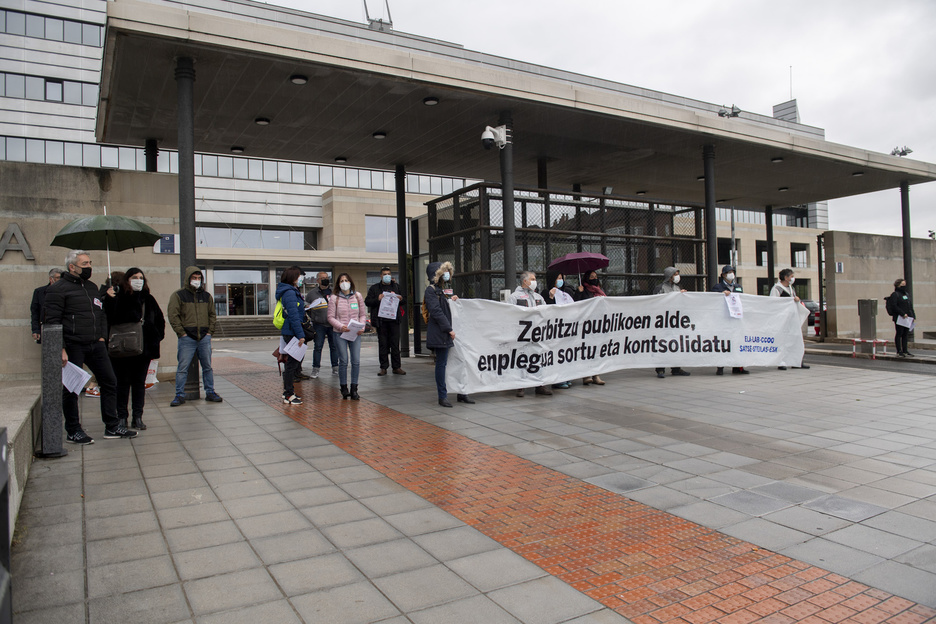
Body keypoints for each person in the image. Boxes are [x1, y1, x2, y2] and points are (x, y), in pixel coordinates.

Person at [43, 250, 137, 443]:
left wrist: (102, 336)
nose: (89, 267)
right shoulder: (58, 289)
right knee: (72, 389)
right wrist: (60, 348)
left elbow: (100, 314)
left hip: (96, 344)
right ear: (72, 267)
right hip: (73, 345)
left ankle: (112, 426)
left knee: (110, 381)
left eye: (90, 263)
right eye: (85, 264)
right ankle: (73, 430)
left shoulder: (92, 287)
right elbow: (52, 322)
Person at [104, 268, 165, 430]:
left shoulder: (148, 299)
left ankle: (137, 416)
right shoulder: (118, 297)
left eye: (141, 277)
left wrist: (156, 336)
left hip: (143, 350)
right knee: (122, 384)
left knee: (139, 384)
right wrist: (109, 299)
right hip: (122, 349)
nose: (138, 280)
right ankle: (122, 416)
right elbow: (110, 319)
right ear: (127, 279)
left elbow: (159, 320)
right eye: (134, 277)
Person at [167, 266, 223, 406]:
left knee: (207, 367)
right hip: (187, 338)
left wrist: (210, 332)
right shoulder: (179, 295)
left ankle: (210, 392)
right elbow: (173, 315)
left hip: (204, 337)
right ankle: (179, 394)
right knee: (182, 368)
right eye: (194, 278)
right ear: (188, 278)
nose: (196, 281)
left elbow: (212, 315)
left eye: (199, 278)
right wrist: (182, 333)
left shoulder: (206, 296)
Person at [424, 261, 474, 407]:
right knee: (442, 363)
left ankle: (462, 392)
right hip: (442, 333)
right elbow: (437, 312)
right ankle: (442, 395)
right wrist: (449, 329)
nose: (447, 274)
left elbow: (444, 308)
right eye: (444, 271)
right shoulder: (431, 290)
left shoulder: (442, 290)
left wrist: (452, 301)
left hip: (447, 333)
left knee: (458, 361)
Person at [507, 271, 552, 397]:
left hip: (537, 334)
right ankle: (520, 386)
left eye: (535, 279)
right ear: (525, 281)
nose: (534, 281)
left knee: (538, 357)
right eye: (532, 279)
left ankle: (540, 385)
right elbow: (508, 315)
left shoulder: (538, 297)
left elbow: (546, 313)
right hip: (521, 335)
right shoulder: (514, 297)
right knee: (521, 358)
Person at [328, 273, 367, 400]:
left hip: (355, 332)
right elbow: (330, 317)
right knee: (343, 360)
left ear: (350, 282)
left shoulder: (357, 296)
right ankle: (344, 388)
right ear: (338, 284)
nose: (344, 282)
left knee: (356, 361)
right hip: (340, 333)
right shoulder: (334, 298)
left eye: (346, 280)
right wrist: (340, 326)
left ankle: (354, 388)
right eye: (341, 281)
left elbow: (362, 314)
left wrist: (361, 327)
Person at [365, 266, 405, 376]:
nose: (387, 276)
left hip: (394, 320)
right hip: (381, 321)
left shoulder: (396, 287)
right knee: (383, 344)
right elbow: (367, 302)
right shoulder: (374, 288)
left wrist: (401, 299)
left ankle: (396, 367)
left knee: (395, 344)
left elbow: (404, 300)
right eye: (384, 274)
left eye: (388, 274)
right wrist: (378, 299)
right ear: (381, 276)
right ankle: (383, 367)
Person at [652, 267, 691, 379]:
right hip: (664, 321)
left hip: (676, 320)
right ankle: (660, 369)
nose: (677, 276)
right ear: (670, 276)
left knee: (676, 343)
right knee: (662, 344)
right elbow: (657, 302)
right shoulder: (660, 288)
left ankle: (676, 368)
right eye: (675, 274)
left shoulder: (677, 288)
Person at [276, 266, 307, 405]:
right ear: (293, 278)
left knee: (292, 364)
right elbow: (294, 316)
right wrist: (300, 335)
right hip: (292, 332)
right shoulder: (289, 293)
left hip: (292, 331)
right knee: (291, 365)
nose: (301, 279)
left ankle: (288, 392)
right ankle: (288, 393)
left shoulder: (291, 291)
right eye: (299, 276)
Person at [770, 268, 810, 371]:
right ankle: (781, 362)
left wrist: (796, 300)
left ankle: (796, 361)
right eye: (791, 276)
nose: (793, 278)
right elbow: (773, 303)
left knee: (795, 340)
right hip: (782, 320)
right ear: (786, 277)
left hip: (792, 319)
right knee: (782, 341)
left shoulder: (791, 288)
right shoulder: (777, 289)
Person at [711, 265, 747, 375]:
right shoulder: (718, 287)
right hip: (723, 319)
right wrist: (721, 296)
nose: (731, 274)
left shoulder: (738, 286)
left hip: (736, 319)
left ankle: (738, 367)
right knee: (723, 342)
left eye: (732, 272)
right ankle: (720, 367)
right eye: (729, 272)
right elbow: (711, 300)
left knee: (737, 341)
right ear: (723, 275)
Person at [574, 270, 606, 386]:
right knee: (586, 350)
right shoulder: (583, 290)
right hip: (586, 325)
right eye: (591, 277)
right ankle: (586, 375)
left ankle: (596, 374)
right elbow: (576, 305)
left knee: (596, 350)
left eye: (595, 276)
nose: (594, 278)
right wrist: (579, 292)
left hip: (598, 324)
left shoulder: (600, 291)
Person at [544, 270, 574, 389]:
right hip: (554, 329)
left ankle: (566, 377)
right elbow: (547, 309)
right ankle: (557, 379)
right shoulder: (546, 292)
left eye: (562, 278)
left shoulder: (565, 293)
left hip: (565, 328)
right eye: (558, 278)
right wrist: (551, 297)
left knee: (564, 354)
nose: (560, 280)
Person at [307, 271, 339, 379]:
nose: (325, 279)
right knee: (318, 347)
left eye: (326, 277)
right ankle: (315, 369)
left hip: (332, 324)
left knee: (334, 346)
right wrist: (313, 317)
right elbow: (307, 307)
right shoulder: (312, 293)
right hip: (319, 324)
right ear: (317, 280)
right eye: (322, 278)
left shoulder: (334, 292)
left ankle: (335, 368)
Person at [30, 268, 62, 343]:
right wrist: (36, 330)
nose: (60, 280)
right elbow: (35, 312)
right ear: (51, 279)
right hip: (46, 326)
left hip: (63, 327)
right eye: (58, 278)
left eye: (61, 278)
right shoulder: (40, 292)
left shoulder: (66, 292)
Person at [889, 278, 915, 357]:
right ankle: (899, 350)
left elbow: (910, 305)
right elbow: (894, 306)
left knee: (905, 334)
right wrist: (902, 313)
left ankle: (905, 350)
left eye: (905, 285)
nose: (904, 286)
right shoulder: (895, 294)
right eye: (902, 285)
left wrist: (913, 315)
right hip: (899, 318)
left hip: (907, 318)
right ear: (898, 285)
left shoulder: (906, 294)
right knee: (899, 333)